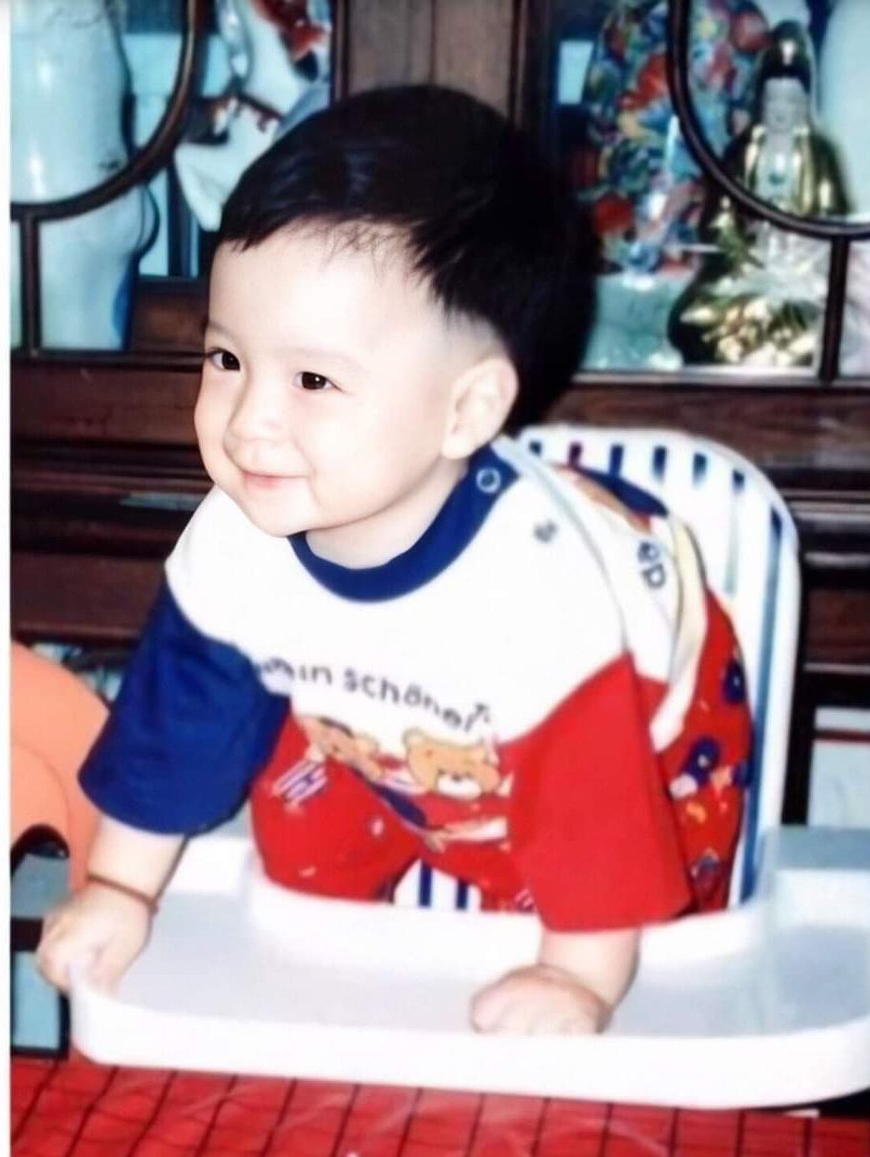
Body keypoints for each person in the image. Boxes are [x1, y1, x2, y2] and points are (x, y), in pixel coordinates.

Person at [37, 85, 751, 1035]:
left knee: (640, 932)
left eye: (315, 379)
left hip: (643, 726)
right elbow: (175, 730)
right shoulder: (237, 538)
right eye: (226, 361)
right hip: (373, 715)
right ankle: (333, 932)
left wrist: (580, 977)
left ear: (465, 412)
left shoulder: (534, 601)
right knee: (291, 843)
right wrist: (122, 889)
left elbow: (596, 808)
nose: (250, 420)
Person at [668, 20, 851, 367]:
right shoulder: (742, 151)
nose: (781, 110)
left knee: (827, 330)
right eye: (774, 99)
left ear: (805, 103)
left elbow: (834, 222)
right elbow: (718, 220)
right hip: (747, 273)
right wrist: (748, 255)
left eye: (791, 100)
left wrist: (800, 255)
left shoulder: (820, 155)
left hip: (802, 278)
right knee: (695, 317)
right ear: (761, 101)